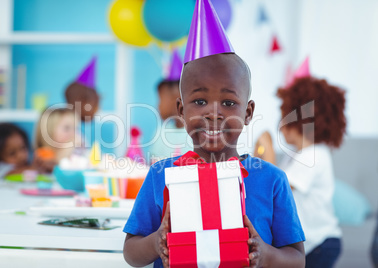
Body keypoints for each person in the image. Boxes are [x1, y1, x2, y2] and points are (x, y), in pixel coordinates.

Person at [123, 1, 305, 267]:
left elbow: (297, 260)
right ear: (181, 111)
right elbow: (131, 252)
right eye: (199, 102)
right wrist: (155, 242)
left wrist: (266, 254)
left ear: (248, 112)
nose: (213, 113)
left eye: (229, 103)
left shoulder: (272, 180)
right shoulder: (159, 176)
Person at [254, 76, 346, 268]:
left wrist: (268, 148)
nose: (280, 127)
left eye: (284, 117)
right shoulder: (296, 155)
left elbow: (277, 186)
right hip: (311, 242)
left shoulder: (314, 155)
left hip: (320, 243)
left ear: (299, 120)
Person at [34, 107, 81, 172]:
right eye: (67, 128)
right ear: (48, 131)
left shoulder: (74, 154)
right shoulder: (42, 155)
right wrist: (67, 150)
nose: (74, 133)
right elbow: (56, 167)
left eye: (76, 128)